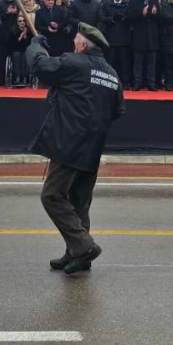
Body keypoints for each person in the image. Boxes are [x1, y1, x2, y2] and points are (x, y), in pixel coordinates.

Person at [27, 22, 126, 275]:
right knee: (79, 201)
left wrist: (35, 45)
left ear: (83, 44)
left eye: (75, 41)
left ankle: (84, 246)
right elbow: (118, 111)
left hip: (69, 142)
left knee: (52, 196)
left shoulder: (74, 62)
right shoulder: (112, 74)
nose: (73, 44)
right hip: (93, 146)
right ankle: (77, 254)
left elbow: (40, 66)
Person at [127, 0, 161, 90]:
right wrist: (142, 14)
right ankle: (137, 83)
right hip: (139, 36)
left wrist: (156, 14)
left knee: (152, 63)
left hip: (152, 37)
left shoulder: (154, 0)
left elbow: (161, 19)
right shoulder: (133, 1)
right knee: (138, 63)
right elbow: (129, 17)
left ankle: (151, 83)